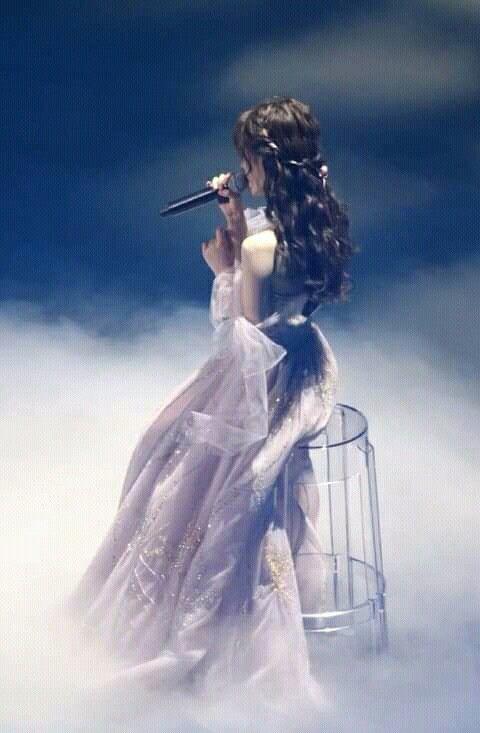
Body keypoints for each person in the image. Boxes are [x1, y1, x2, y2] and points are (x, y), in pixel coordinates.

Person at [63, 96, 358, 723]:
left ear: (267, 163)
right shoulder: (313, 220)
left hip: (262, 378)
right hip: (302, 361)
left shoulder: (261, 246)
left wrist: (224, 267)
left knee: (167, 457)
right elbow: (277, 290)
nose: (242, 170)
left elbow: (243, 335)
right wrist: (235, 218)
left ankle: (197, 630)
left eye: (247, 160)